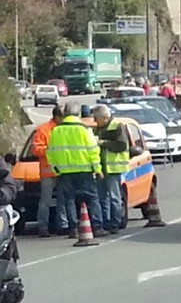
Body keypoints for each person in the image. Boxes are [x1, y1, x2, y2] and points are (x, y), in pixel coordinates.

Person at [46, 102, 107, 238]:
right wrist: (98, 169)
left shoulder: (56, 131)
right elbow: (93, 151)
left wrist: (56, 170)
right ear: (78, 114)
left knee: (69, 200)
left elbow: (50, 153)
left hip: (64, 173)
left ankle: (73, 229)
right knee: (92, 199)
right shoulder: (84, 130)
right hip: (85, 171)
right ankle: (97, 227)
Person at [32, 106, 73, 237]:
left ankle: (62, 225)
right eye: (62, 118)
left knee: (63, 199)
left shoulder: (65, 129)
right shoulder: (42, 130)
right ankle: (43, 227)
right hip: (48, 172)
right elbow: (36, 149)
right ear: (56, 117)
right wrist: (51, 150)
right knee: (45, 201)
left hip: (62, 171)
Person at [92, 105, 130, 234]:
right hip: (101, 168)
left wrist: (104, 143)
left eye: (96, 118)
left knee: (114, 197)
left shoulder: (117, 126)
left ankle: (115, 223)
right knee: (102, 198)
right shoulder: (99, 128)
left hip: (113, 168)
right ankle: (106, 222)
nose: (94, 121)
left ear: (104, 117)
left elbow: (122, 145)